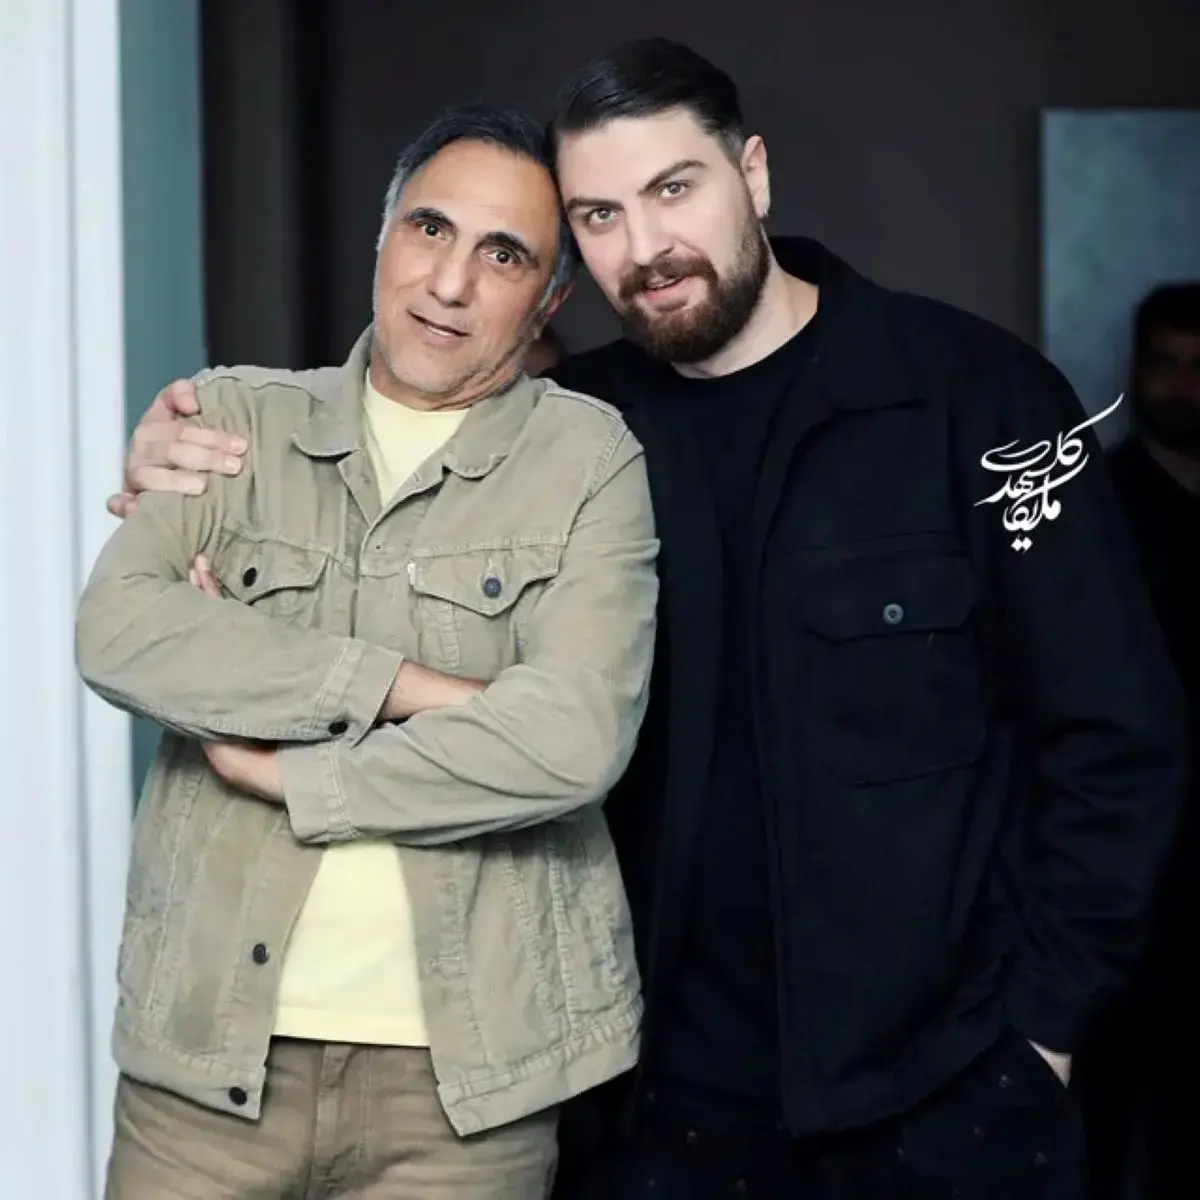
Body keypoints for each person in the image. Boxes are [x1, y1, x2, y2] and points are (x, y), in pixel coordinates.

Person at [109, 39, 1186, 1200]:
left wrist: (1048, 1025)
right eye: (600, 215)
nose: (647, 246)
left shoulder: (979, 395)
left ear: (753, 174)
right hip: (649, 1111)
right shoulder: (567, 438)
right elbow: (374, 474)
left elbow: (1115, 735)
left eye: (675, 189)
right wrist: (187, 452)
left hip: (944, 1100)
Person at [78, 104, 658, 1199]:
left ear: (548, 300)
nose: (450, 283)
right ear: (384, 238)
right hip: (204, 1072)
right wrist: (408, 688)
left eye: (503, 256)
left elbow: (576, 742)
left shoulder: (587, 460)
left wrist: (296, 775)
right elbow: (120, 631)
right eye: (430, 230)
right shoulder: (236, 420)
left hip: (464, 1099)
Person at [1081, 282, 1200, 1199]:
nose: (1185, 387)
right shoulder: (1100, 508)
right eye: (1166, 365)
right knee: (1107, 1097)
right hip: (1130, 850)